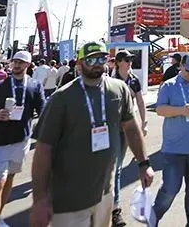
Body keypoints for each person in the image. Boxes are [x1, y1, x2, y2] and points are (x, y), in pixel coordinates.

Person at [30, 42, 153, 227]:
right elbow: (43, 149)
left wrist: (144, 163)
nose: (97, 64)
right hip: (69, 200)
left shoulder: (119, 89)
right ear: (80, 64)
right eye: (91, 60)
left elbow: (131, 128)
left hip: (105, 193)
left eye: (101, 59)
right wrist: (40, 199)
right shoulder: (61, 98)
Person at [0, 51, 45, 227]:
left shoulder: (35, 86)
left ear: (28, 65)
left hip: (21, 142)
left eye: (21, 62)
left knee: (9, 179)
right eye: (15, 61)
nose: (17, 65)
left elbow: (43, 112)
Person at [153, 53, 189, 227]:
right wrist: (181, 110)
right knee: (171, 189)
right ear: (180, 66)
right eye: (188, 71)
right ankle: (153, 217)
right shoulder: (169, 86)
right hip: (174, 149)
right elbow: (160, 110)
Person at [110, 50, 149, 227]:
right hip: (111, 129)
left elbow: (140, 101)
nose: (130, 62)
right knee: (114, 168)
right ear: (118, 62)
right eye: (126, 59)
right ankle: (112, 208)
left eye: (131, 59)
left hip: (127, 129)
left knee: (117, 167)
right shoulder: (110, 80)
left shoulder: (134, 80)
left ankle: (113, 208)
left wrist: (144, 122)